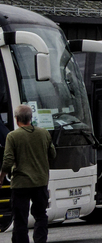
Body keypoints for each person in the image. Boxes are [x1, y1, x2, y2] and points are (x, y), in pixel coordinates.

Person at [1, 104, 55, 243]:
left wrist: (1, 177)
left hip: (20, 184)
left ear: (17, 119)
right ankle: (40, 240)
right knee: (41, 215)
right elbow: (53, 154)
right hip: (41, 182)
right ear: (31, 118)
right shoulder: (44, 133)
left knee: (20, 218)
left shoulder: (12, 136)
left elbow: (8, 161)